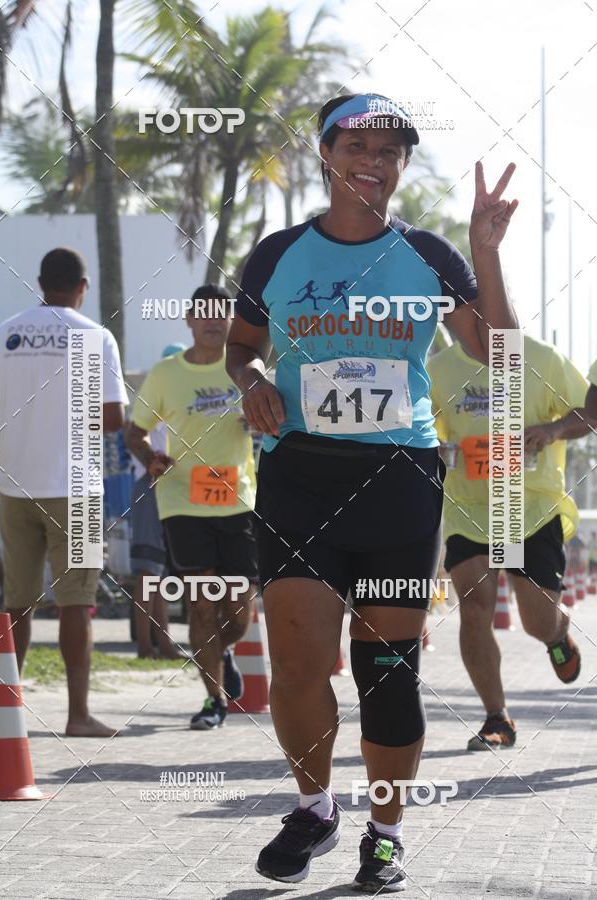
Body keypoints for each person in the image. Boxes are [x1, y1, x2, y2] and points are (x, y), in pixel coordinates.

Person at [226, 91, 519, 892]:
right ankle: (316, 808)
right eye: (357, 145)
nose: (373, 161)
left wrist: (484, 253)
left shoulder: (427, 255)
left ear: (401, 167)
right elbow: (241, 346)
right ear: (326, 154)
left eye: (390, 151)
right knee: (296, 661)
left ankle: (384, 834)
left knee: (387, 672)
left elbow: (500, 354)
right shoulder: (276, 254)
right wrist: (252, 380)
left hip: (398, 479)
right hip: (299, 473)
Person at [428, 334, 590, 751]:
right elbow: (420, 424)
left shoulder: (541, 358)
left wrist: (552, 429)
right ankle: (496, 717)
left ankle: (556, 635)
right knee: (475, 607)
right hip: (470, 507)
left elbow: (589, 411)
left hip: (527, 509)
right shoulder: (441, 368)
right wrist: (435, 447)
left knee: (537, 620)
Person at [0, 247, 128, 737]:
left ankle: (7, 714)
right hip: (77, 488)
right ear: (83, 286)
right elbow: (113, 418)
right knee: (76, 601)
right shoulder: (94, 336)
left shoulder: (6, 332)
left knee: (17, 604)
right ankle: (77, 715)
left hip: (14, 484)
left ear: (39, 282)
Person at [126, 284, 258, 730]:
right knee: (203, 603)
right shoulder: (166, 374)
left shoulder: (247, 369)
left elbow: (278, 415)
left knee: (240, 611)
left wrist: (257, 416)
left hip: (239, 501)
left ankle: (220, 651)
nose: (211, 322)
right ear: (188, 319)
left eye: (220, 315)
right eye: (203, 314)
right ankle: (213, 700)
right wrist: (150, 458)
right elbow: (134, 431)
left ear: (230, 320)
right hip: (182, 501)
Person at [126, 343, 187, 659]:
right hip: (151, 486)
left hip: (167, 488)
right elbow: (138, 435)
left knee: (158, 571)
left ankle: (161, 643)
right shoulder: (154, 400)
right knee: (149, 571)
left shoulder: (170, 400)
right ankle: (145, 646)